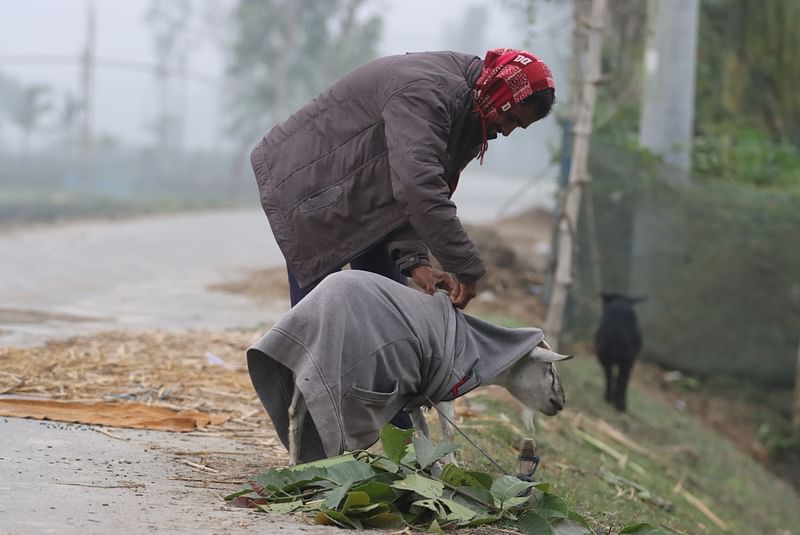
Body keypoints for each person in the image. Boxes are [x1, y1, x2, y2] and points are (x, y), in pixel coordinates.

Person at [250, 47, 555, 311]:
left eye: (519, 126)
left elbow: (405, 188)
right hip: (312, 185)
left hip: (361, 196)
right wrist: (467, 268)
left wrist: (415, 262)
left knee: (384, 318)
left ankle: (362, 379)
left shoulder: (474, 114)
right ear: (501, 94)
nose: (508, 131)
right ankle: (299, 378)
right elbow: (417, 189)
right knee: (318, 330)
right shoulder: (428, 90)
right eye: (513, 118)